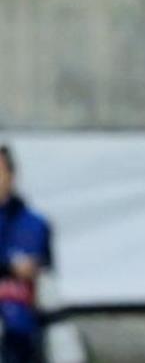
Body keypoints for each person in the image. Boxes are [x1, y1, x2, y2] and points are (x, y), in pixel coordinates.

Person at [0, 144, 52, 363]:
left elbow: (48, 279)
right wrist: (10, 268)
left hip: (22, 334)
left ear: (11, 175)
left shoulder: (35, 224)